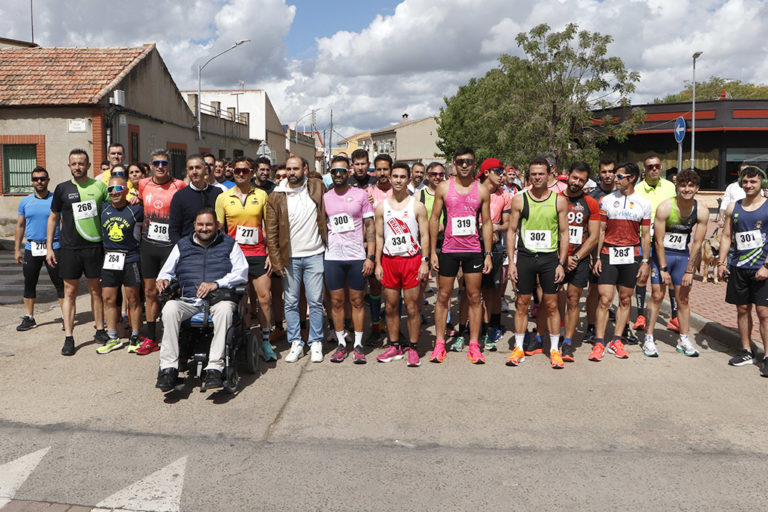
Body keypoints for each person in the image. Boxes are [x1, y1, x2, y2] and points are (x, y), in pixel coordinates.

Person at [154, 208, 248, 391]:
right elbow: (166, 271)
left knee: (225, 310)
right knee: (169, 309)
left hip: (217, 299)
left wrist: (217, 283)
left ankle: (215, 366)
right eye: (200, 224)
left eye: (209, 224)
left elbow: (241, 273)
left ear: (217, 226)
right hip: (189, 300)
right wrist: (163, 278)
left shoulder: (229, 244)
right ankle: (168, 368)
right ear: (194, 226)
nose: (204, 228)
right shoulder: (182, 245)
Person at [428, 147, 493, 364]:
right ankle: (439, 344)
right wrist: (431, 253)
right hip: (448, 250)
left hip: (473, 250)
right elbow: (434, 219)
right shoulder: (444, 188)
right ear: (454, 164)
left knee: (474, 297)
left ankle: (473, 345)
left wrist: (488, 254)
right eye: (460, 161)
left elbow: (487, 223)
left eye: (469, 161)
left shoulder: (482, 190)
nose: (464, 165)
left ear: (475, 164)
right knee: (443, 297)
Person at [506, 157, 569, 368]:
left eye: (541, 173)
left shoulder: (558, 200)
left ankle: (553, 350)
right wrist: (512, 263)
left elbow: (564, 233)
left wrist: (561, 262)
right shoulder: (519, 200)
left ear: (549, 173)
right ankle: (519, 348)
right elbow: (512, 231)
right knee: (522, 303)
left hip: (549, 258)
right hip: (525, 257)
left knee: (551, 304)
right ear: (529, 176)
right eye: (533, 174)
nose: (537, 177)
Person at [47, 149, 109, 356]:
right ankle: (69, 337)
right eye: (74, 163)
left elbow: (111, 210)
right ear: (69, 166)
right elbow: (53, 218)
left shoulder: (99, 186)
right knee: (70, 293)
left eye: (81, 163)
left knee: (95, 291)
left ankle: (100, 330)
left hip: (94, 246)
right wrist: (49, 247)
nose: (77, 167)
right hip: (70, 248)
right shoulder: (62, 189)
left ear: (88, 165)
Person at [265, 155, 328, 363]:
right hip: (289, 258)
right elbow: (271, 231)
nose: (291, 173)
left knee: (315, 301)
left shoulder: (318, 186)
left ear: (305, 169)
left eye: (295, 169)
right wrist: (276, 261)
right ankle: (296, 343)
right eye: (289, 169)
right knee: (290, 302)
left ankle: (316, 341)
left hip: (315, 253)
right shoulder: (276, 196)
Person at [589, 162, 651, 362]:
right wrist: (597, 257)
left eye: (619, 176)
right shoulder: (606, 201)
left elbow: (646, 235)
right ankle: (599, 342)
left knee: (625, 300)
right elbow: (600, 231)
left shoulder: (643, 203)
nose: (615, 179)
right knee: (605, 299)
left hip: (631, 256)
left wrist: (645, 261)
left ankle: (617, 340)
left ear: (631, 178)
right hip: (608, 253)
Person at [215, 156, 275, 361]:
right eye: (238, 170)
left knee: (264, 298)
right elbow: (219, 230)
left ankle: (266, 341)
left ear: (252, 173)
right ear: (233, 171)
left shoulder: (262, 195)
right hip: (235, 257)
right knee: (243, 300)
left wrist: (270, 254)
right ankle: (246, 338)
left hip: (258, 254)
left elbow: (268, 226)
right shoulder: (224, 197)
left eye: (245, 171)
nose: (241, 174)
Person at [644, 169, 708, 358]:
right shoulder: (665, 207)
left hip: (681, 257)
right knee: (657, 296)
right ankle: (648, 338)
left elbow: (697, 242)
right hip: (662, 256)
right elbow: (658, 241)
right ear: (677, 187)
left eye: (690, 186)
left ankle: (684, 339)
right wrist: (663, 268)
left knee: (684, 299)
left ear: (697, 188)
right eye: (682, 185)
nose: (686, 189)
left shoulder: (701, 210)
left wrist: (690, 270)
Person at [375, 162, 430, 366]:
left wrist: (425, 261)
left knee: (412, 307)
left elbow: (424, 235)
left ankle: (414, 348)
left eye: (402, 177)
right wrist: (378, 263)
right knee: (390, 306)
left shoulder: (417, 206)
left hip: (411, 261)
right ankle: (395, 345)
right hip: (390, 261)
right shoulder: (382, 207)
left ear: (408, 180)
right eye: (394, 176)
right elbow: (379, 236)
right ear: (390, 179)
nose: (398, 180)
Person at [322, 155, 375, 364]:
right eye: (334, 171)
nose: (337, 175)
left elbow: (370, 226)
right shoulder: (325, 197)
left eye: (341, 171)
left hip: (356, 257)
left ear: (349, 172)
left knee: (357, 301)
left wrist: (370, 256)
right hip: (333, 257)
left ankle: (359, 345)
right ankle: (341, 344)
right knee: (336, 302)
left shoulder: (361, 195)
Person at [718, 165, 768, 376]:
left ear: (761, 183)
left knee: (764, 313)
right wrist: (721, 263)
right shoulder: (733, 207)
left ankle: (767, 355)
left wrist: (767, 266)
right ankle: (746, 350)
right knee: (742, 310)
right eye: (745, 182)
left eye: (753, 182)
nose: (748, 185)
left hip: (762, 268)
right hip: (739, 267)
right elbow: (727, 236)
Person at [135, 150, 186, 355]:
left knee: (170, 291)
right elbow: (138, 200)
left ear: (169, 166)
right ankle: (150, 337)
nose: (160, 167)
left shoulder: (179, 185)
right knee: (149, 291)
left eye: (164, 163)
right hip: (148, 244)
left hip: (170, 245)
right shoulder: (143, 184)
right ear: (151, 165)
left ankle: (173, 333)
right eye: (156, 163)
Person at [14, 166, 64, 331]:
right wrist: (17, 249)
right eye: (36, 179)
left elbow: (64, 223)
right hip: (32, 247)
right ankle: (29, 317)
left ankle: (66, 316)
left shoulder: (56, 200)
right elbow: (20, 226)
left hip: (54, 246)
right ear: (32, 181)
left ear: (48, 180)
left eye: (42, 178)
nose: (39, 181)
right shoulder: (25, 201)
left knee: (59, 283)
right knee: (30, 282)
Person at [559, 162, 600, 362]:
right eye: (574, 177)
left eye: (581, 180)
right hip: (558, 257)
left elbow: (593, 236)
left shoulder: (590, 203)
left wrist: (575, 257)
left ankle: (568, 341)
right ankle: (551, 334)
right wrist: (563, 257)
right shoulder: (556, 200)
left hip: (579, 258)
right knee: (552, 298)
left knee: (573, 300)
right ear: (568, 175)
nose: (577, 182)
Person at [97, 176, 143, 353]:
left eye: (118, 189)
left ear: (125, 190)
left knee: (133, 299)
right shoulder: (104, 208)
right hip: (110, 259)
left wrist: (137, 198)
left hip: (130, 258)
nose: (114, 193)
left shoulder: (135, 210)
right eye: (111, 190)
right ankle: (112, 337)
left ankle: (135, 335)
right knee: (108, 299)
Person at [633, 155, 677, 335]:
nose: (654, 169)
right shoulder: (637, 189)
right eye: (650, 166)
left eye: (657, 166)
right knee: (642, 275)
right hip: (644, 237)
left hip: (665, 238)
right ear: (645, 170)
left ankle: (675, 317)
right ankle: (641, 315)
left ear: (661, 168)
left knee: (671, 277)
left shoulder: (669, 187)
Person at [477, 158, 511, 351]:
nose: (502, 176)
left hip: (496, 247)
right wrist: (483, 228)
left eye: (503, 172)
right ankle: (472, 328)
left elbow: (508, 224)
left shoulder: (504, 195)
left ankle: (488, 327)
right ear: (487, 173)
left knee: (492, 291)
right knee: (473, 292)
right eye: (498, 172)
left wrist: (495, 228)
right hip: (474, 245)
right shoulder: (474, 191)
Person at [584, 156, 617, 342]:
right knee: (594, 290)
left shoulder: (623, 194)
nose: (608, 175)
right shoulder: (592, 196)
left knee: (619, 291)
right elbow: (588, 228)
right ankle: (590, 326)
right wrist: (590, 253)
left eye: (611, 171)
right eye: (604, 172)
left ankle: (621, 329)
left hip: (618, 249)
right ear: (599, 173)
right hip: (597, 251)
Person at [366, 154, 395, 339]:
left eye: (385, 169)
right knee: (375, 288)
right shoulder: (368, 192)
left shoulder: (401, 191)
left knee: (394, 290)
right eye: (379, 169)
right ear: (374, 171)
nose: (382, 173)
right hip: (375, 246)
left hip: (395, 247)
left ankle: (395, 327)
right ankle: (376, 325)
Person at [169, 154, 222, 244]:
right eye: (191, 168)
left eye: (197, 167)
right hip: (188, 248)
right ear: (187, 171)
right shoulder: (179, 196)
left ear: (205, 169)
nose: (194, 172)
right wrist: (182, 248)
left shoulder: (217, 193)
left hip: (214, 247)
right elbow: (174, 230)